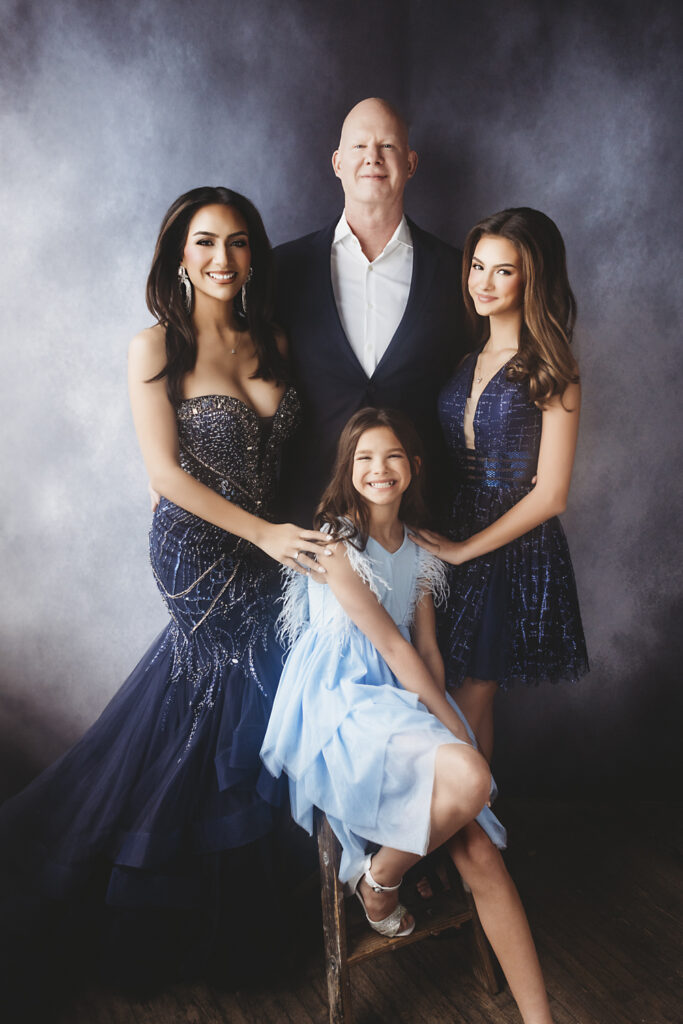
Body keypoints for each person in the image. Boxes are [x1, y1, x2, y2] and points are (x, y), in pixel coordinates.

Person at [0, 186, 326, 1010]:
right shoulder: (154, 346)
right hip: (198, 551)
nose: (223, 259)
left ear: (254, 255)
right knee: (226, 697)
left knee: (233, 708)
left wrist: (303, 529)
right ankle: (195, 914)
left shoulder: (274, 338)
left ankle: (232, 894)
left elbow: (283, 460)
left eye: (239, 243)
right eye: (206, 243)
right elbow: (164, 476)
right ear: (179, 255)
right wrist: (264, 536)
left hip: (271, 544)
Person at [261, 407, 556, 1024]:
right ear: (348, 470)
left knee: (479, 846)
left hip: (399, 693)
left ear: (412, 467)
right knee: (472, 779)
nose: (380, 469)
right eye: (364, 458)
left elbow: (423, 650)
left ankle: (539, 1018)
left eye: (392, 456)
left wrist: (445, 721)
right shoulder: (339, 542)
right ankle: (380, 882)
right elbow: (390, 648)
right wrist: (455, 731)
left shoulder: (417, 549)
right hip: (342, 701)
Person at [412, 208, 589, 762]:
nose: (482, 283)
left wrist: (465, 550)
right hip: (454, 536)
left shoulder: (551, 366)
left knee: (463, 703)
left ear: (532, 278)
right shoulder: (467, 358)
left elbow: (552, 493)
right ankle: (482, 828)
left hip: (513, 550)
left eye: (503, 271)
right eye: (477, 267)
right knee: (462, 701)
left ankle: (425, 846)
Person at [273, 97, 465, 524]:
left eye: (388, 147)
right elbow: (226, 355)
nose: (373, 158)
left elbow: (494, 370)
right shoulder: (283, 269)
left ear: (410, 163)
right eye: (359, 147)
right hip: (309, 519)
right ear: (338, 162)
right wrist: (169, 464)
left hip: (421, 520)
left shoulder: (457, 272)